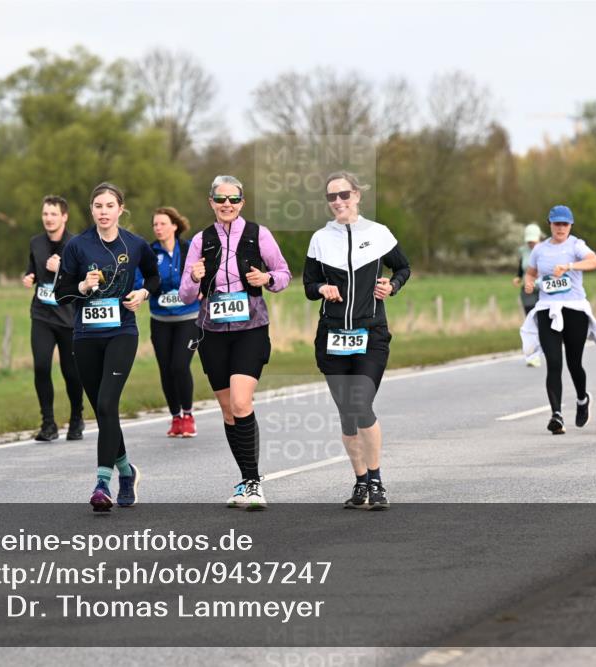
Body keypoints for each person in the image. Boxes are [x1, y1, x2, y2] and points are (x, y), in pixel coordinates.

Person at [178, 175, 292, 510]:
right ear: (211, 202)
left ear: (242, 202)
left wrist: (267, 278)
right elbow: (185, 293)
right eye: (220, 199)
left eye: (233, 199)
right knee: (229, 411)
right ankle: (245, 479)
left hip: (251, 328)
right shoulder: (201, 240)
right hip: (212, 333)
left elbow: (284, 274)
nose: (227, 205)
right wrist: (194, 277)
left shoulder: (260, 235)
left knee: (242, 403)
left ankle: (254, 482)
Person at [303, 171, 410, 510]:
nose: (338, 202)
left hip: (371, 334)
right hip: (333, 336)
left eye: (344, 195)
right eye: (332, 197)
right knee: (347, 414)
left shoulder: (378, 234)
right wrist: (322, 287)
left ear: (357, 196)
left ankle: (377, 481)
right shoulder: (321, 238)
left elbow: (403, 267)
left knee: (361, 404)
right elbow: (308, 285)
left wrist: (392, 286)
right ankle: (360, 480)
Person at [54, 182, 159, 512]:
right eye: (98, 206)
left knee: (107, 400)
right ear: (92, 210)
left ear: (120, 209)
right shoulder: (77, 246)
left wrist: (142, 294)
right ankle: (127, 472)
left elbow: (154, 279)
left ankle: (103, 482)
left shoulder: (137, 244)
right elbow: (62, 293)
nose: (103, 211)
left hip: (121, 332)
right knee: (103, 409)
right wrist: (84, 285)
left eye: (109, 205)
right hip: (85, 335)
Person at [519, 205, 596, 435]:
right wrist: (528, 282)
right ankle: (556, 415)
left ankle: (582, 399)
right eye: (557, 223)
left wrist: (569, 266)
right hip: (548, 309)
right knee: (554, 362)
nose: (560, 228)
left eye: (565, 224)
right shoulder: (540, 249)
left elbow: (595, 261)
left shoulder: (576, 245)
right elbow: (531, 272)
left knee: (574, 363)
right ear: (550, 224)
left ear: (570, 226)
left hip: (574, 309)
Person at [22, 195, 84, 442]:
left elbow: (84, 278)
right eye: (45, 214)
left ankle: (77, 419)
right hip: (42, 315)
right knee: (41, 367)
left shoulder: (76, 244)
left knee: (71, 373)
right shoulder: (36, 242)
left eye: (53, 214)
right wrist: (29, 277)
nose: (48, 218)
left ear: (64, 217)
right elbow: (33, 269)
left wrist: (61, 269)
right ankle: (48, 424)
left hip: (68, 318)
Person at [144, 207, 201, 438]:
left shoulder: (189, 249)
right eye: (155, 225)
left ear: (174, 226)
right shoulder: (149, 252)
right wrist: (146, 289)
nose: (158, 228)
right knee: (166, 370)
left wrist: (201, 289)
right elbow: (143, 279)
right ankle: (175, 417)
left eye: (162, 223)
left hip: (189, 318)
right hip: (160, 319)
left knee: (179, 365)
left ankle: (188, 415)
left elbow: (204, 273)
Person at [513, 223, 544, 367]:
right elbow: (522, 266)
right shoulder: (524, 251)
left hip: (543, 289)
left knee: (543, 321)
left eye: (533, 240)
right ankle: (533, 355)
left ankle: (543, 351)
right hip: (528, 288)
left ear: (539, 238)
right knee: (531, 321)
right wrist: (518, 277)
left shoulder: (546, 249)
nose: (531, 243)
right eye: (529, 241)